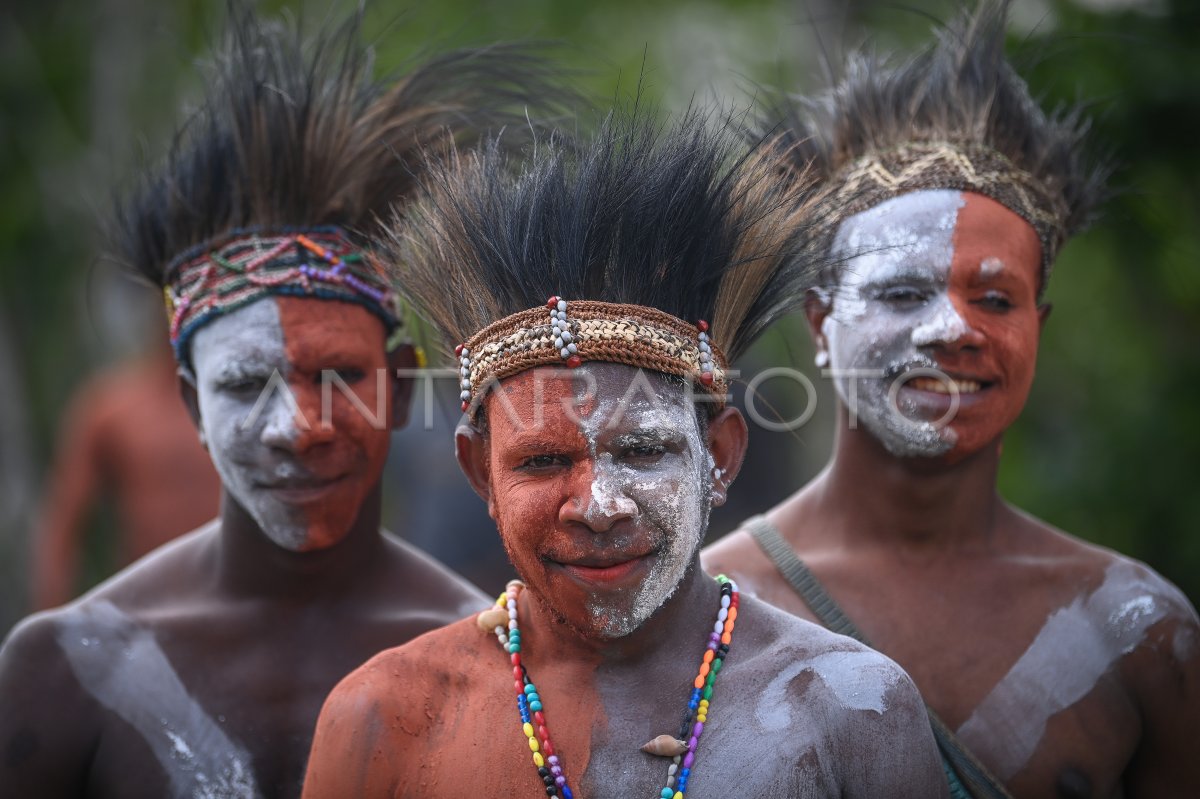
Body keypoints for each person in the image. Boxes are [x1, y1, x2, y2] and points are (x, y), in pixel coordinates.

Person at [0, 6, 568, 796]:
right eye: (244, 385)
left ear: (399, 387)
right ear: (192, 406)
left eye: (339, 376)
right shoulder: (67, 668)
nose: (298, 428)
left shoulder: (504, 667)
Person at [302, 108, 948, 798]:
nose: (599, 506)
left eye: (643, 450)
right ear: (477, 470)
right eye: (542, 461)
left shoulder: (852, 711)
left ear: (720, 457)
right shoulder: (384, 719)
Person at [702, 3, 1200, 797]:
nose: (950, 330)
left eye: (995, 300)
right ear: (822, 323)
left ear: (1037, 327)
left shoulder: (1137, 629)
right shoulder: (710, 614)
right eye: (902, 293)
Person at [30, 302, 220, 610]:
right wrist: (50, 618)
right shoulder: (113, 408)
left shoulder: (248, 401)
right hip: (153, 605)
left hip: (250, 596)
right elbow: (64, 521)